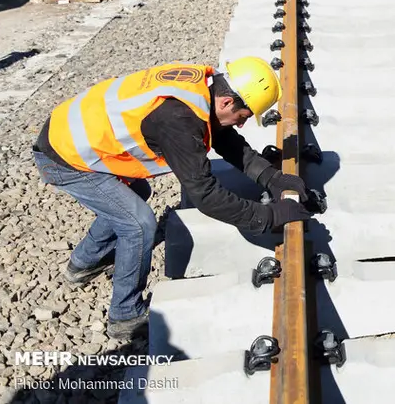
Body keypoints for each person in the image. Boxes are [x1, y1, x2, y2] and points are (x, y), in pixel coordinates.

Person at [31, 58, 323, 339]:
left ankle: (82, 265)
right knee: (138, 223)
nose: (242, 125)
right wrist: (267, 216)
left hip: (70, 130)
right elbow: (206, 194)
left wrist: (270, 177)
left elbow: (222, 136)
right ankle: (123, 315)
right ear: (226, 102)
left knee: (136, 194)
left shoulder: (202, 88)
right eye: (242, 117)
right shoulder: (179, 120)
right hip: (63, 156)